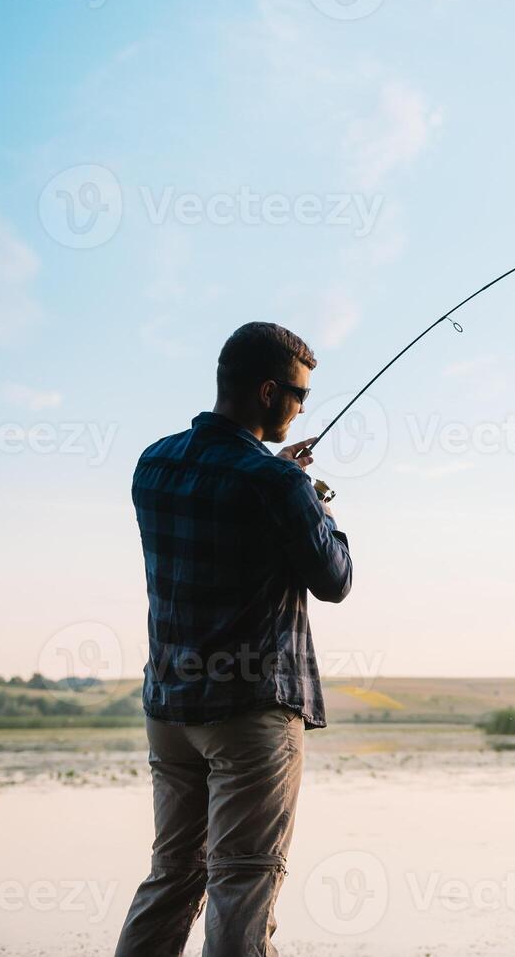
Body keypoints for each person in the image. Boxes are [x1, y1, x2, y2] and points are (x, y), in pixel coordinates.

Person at [115, 322, 353, 956]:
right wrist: (318, 503)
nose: (304, 407)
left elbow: (225, 501)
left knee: (173, 874)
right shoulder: (279, 485)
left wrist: (283, 479)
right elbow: (333, 578)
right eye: (299, 394)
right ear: (268, 391)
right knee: (243, 882)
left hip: (168, 707)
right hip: (250, 711)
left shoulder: (154, 462)